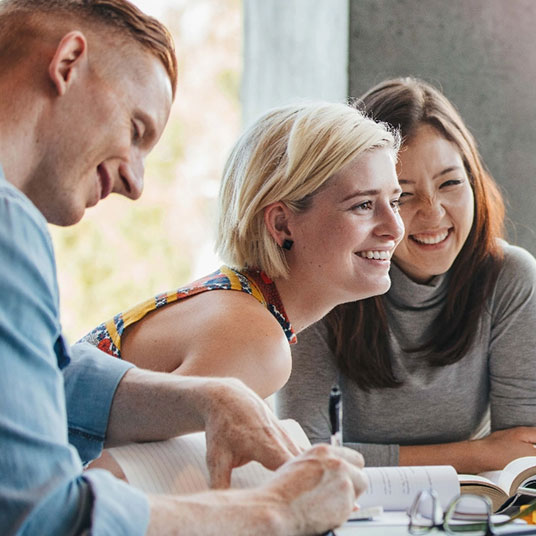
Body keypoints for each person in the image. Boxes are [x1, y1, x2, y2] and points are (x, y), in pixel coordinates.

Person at [0, 1, 368, 535]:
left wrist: (211, 397)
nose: (135, 183)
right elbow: (45, 519)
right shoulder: (11, 225)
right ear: (68, 63)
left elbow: (42, 382)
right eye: (135, 129)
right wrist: (275, 512)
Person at [277, 77, 536, 474]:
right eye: (403, 196)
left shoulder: (510, 278)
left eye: (450, 182)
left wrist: (493, 455)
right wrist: (478, 453)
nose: (433, 213)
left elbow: (523, 450)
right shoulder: (324, 277)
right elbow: (304, 453)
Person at [80, 100, 405, 401]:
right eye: (363, 205)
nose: (395, 228)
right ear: (281, 224)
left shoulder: (241, 303)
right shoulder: (255, 342)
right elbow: (104, 462)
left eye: (394, 202)